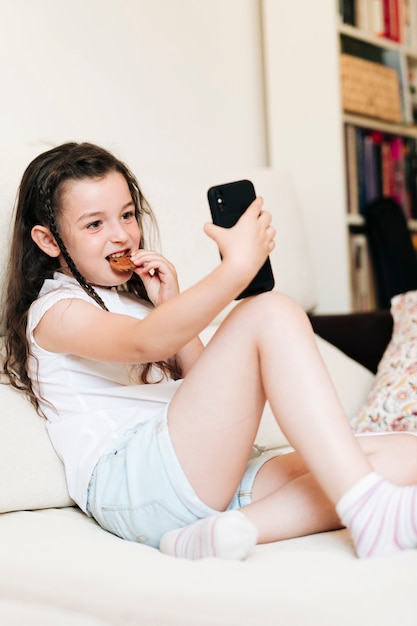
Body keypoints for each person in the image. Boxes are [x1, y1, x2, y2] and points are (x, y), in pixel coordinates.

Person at [3, 142, 417, 561]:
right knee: (270, 310)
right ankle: (370, 513)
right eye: (94, 224)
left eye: (127, 215)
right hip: (134, 483)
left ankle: (225, 532)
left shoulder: (137, 303)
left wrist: (169, 302)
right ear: (48, 240)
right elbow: (144, 341)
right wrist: (236, 268)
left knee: (406, 455)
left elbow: (216, 393)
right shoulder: (54, 310)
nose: (121, 234)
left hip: (200, 471)